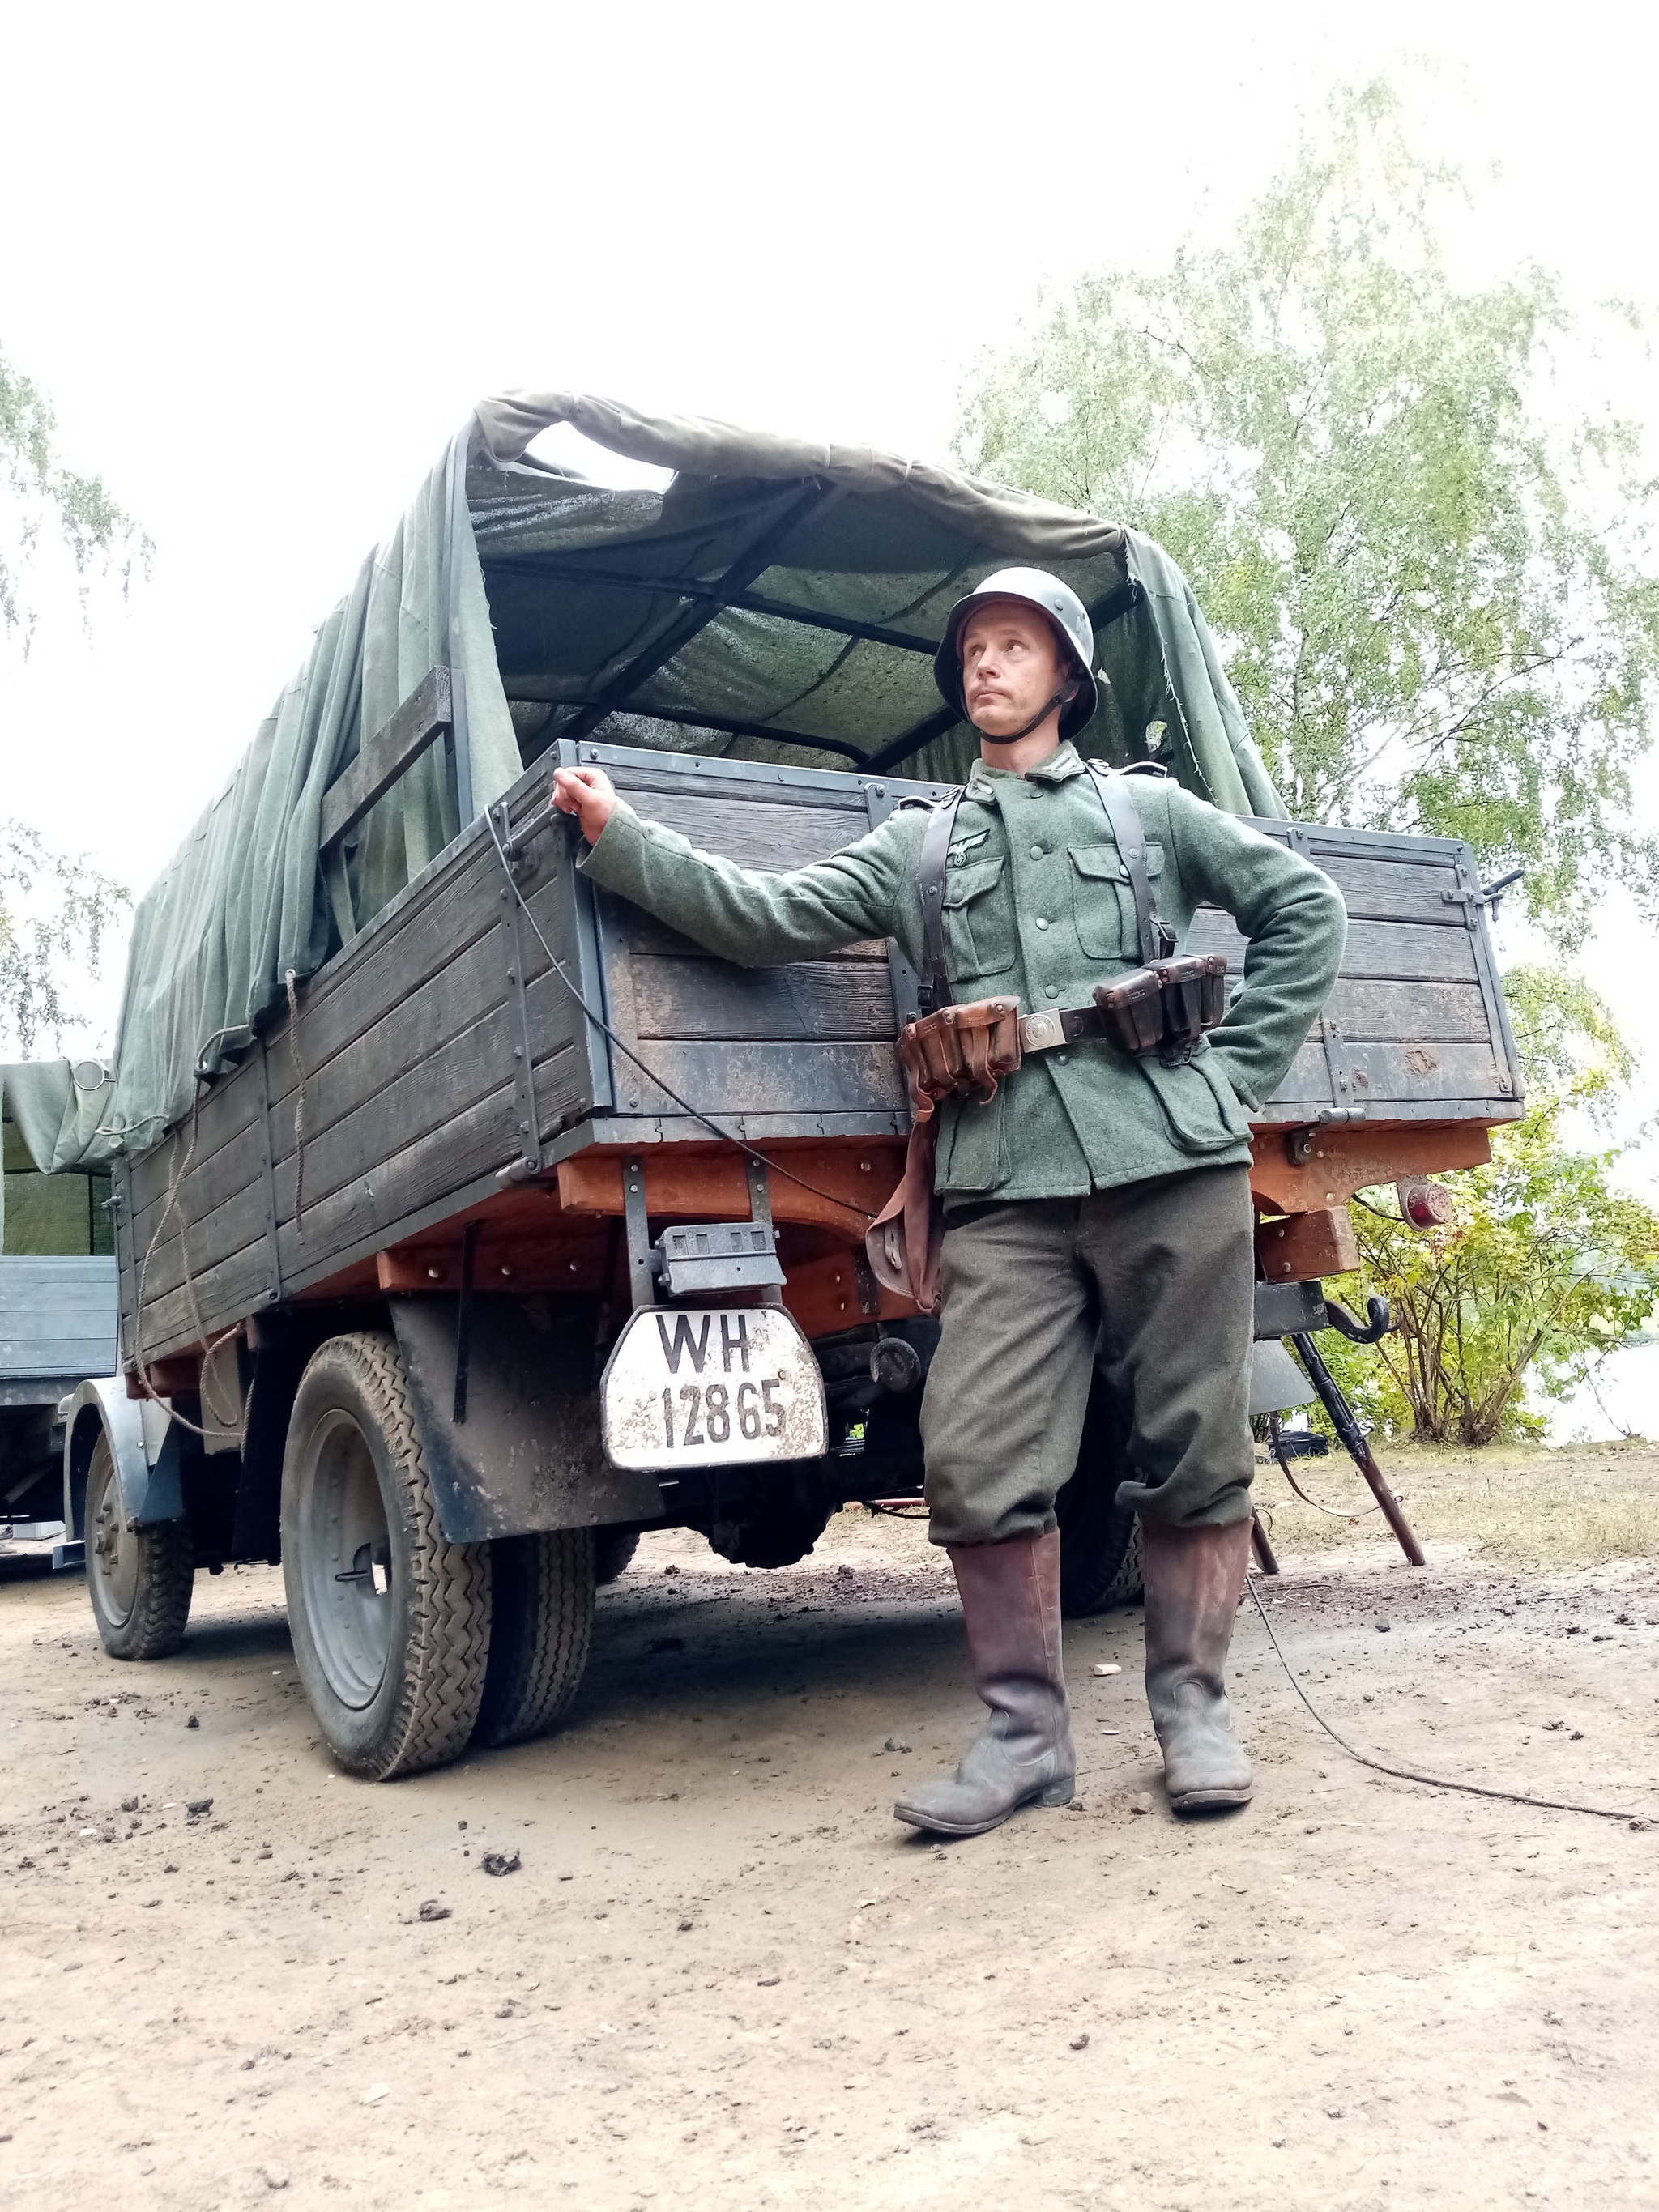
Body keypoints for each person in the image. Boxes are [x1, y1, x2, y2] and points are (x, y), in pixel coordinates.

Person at [552, 569, 1346, 1835]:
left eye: (1015, 646)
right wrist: (622, 837)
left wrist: (1229, 1079)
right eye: (974, 648)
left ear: (1066, 674)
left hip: (1172, 1167)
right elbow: (765, 918)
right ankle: (1024, 1739)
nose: (987, 665)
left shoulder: (1151, 815)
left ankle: (1194, 1713)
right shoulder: (920, 844)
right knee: (975, 1458)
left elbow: (1307, 907)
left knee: (1194, 1442)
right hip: (1005, 1187)